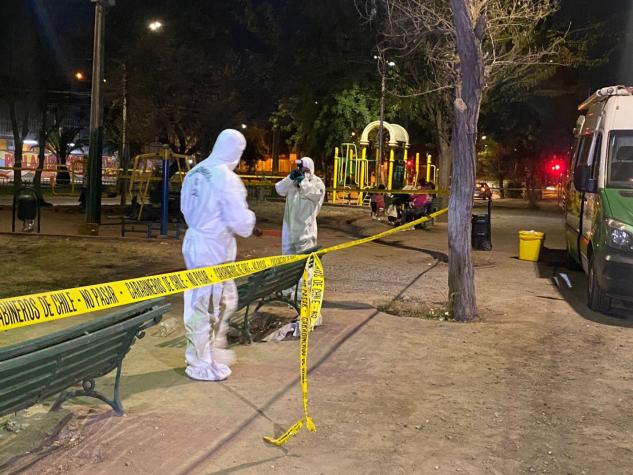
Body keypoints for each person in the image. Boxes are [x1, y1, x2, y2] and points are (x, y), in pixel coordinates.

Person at [180, 129, 256, 381]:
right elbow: (241, 224)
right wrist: (250, 219)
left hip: (195, 241)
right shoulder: (226, 178)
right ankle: (200, 360)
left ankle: (211, 350)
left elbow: (184, 208)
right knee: (207, 304)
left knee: (218, 299)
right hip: (213, 248)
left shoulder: (194, 172)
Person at [275, 157, 325, 254]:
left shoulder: (317, 182)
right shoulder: (292, 182)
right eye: (300, 169)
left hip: (306, 231)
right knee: (288, 263)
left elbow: (315, 195)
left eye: (306, 170)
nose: (303, 172)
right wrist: (289, 178)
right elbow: (279, 190)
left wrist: (303, 182)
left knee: (307, 262)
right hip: (289, 232)